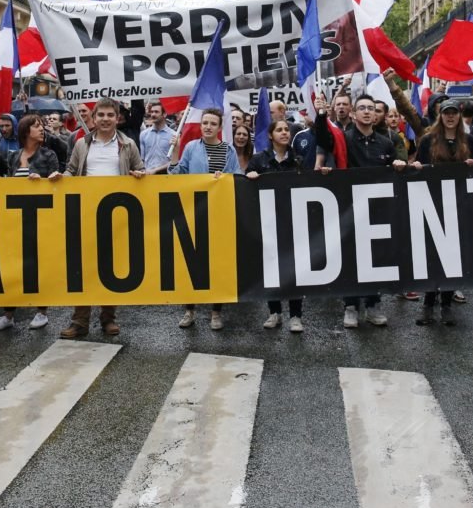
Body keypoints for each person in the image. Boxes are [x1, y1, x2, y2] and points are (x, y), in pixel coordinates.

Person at [314, 93, 407, 328]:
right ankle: (351, 306)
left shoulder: (386, 142)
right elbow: (324, 138)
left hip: (377, 211)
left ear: (376, 115)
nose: (367, 112)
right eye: (362, 108)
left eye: (371, 108)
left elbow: (396, 171)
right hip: (349, 209)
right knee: (352, 258)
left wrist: (398, 165)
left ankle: (373, 305)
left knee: (375, 258)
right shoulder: (343, 139)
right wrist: (322, 114)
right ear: (354, 114)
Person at [59, 98, 146, 339]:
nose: (106, 119)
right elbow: (71, 169)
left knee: (110, 268)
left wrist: (139, 175)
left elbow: (140, 170)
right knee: (84, 268)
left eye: (110, 115)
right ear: (94, 118)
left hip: (116, 216)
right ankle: (80, 320)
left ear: (117, 118)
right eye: (101, 115)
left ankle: (108, 318)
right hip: (85, 214)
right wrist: (60, 176)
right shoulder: (81, 144)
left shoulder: (128, 145)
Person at [408, 98, 473, 325]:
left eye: (454, 113)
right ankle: (429, 303)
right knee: (434, 255)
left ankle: (446, 303)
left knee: (453, 256)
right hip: (433, 203)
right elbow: (418, 168)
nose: (450, 117)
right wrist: (417, 167)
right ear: (441, 116)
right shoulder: (429, 140)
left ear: (459, 116)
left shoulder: (469, 140)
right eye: (446, 113)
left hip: (458, 204)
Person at [170, 109, 241, 330]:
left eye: (212, 123)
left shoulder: (228, 150)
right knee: (191, 263)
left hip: (218, 214)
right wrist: (174, 152)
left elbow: (237, 176)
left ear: (220, 128)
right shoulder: (191, 148)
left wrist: (226, 179)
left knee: (217, 264)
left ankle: (216, 312)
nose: (208, 126)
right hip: (193, 213)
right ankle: (189, 310)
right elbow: (177, 175)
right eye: (205, 123)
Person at [0, 115, 61, 333]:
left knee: (39, 267)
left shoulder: (49, 155)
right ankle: (8, 314)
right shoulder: (14, 156)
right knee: (12, 268)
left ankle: (41, 311)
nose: (42, 130)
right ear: (25, 131)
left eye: (42, 126)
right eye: (37, 126)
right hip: (15, 220)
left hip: (41, 219)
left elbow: (56, 185)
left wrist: (43, 181)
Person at [246, 119, 305, 332]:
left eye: (286, 130)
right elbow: (246, 188)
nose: (284, 133)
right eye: (279, 130)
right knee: (270, 267)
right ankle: (274, 312)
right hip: (268, 222)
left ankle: (296, 315)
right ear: (270, 135)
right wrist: (250, 177)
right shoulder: (258, 160)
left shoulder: (298, 160)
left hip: (292, 222)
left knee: (294, 268)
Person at [138, 100, 177, 174]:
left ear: (164, 114)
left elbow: (174, 160)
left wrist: (156, 170)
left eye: (156, 112)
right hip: (148, 176)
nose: (153, 114)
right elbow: (142, 159)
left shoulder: (173, 135)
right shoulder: (143, 134)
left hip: (166, 176)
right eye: (152, 112)